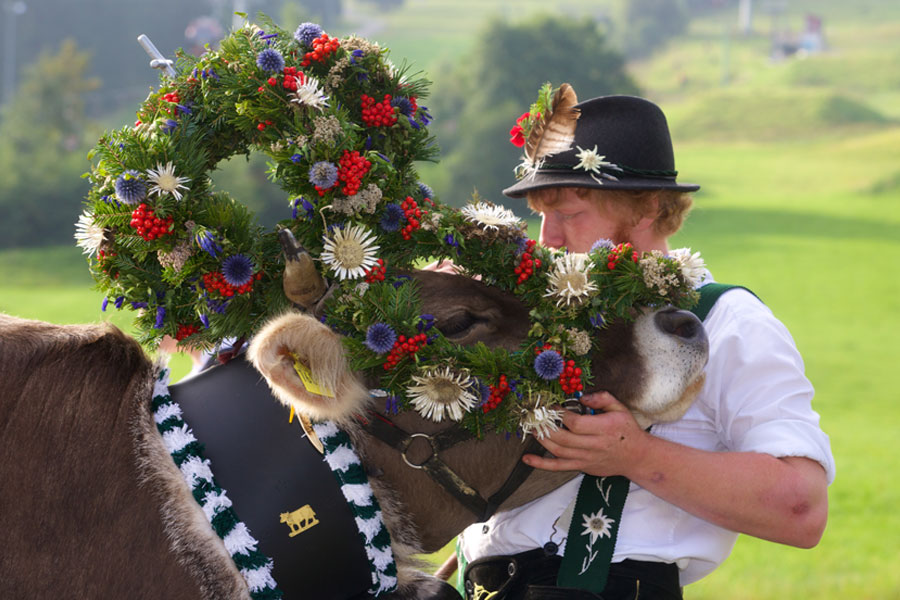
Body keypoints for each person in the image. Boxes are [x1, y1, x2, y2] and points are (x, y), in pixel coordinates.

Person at [456, 91, 835, 599]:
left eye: (568, 214)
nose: (548, 239)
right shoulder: (533, 314)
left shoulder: (729, 323)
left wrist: (635, 456)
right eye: (541, 215)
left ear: (647, 208)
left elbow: (802, 508)